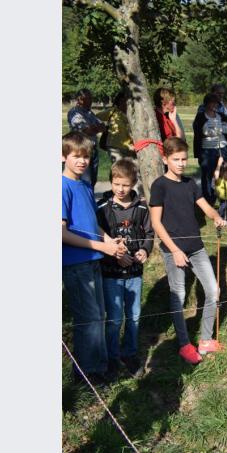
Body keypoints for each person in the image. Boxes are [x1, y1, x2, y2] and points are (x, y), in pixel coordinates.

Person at [149, 137, 227, 364]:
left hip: (196, 247)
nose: (181, 164)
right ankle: (184, 344)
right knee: (180, 295)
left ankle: (205, 339)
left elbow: (205, 206)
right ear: (165, 159)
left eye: (184, 159)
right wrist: (174, 250)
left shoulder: (190, 184)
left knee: (213, 291)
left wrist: (215, 217)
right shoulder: (159, 186)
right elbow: (156, 223)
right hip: (173, 249)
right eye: (176, 159)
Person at [62, 131, 127, 385]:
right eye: (76, 156)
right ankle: (87, 374)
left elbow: (92, 224)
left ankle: (98, 366)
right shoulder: (61, 186)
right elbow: (61, 232)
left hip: (93, 260)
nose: (82, 161)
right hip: (75, 264)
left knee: (98, 315)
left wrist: (108, 241)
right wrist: (102, 248)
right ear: (63, 156)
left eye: (86, 156)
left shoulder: (85, 185)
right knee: (88, 319)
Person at [96, 159, 154, 377]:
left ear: (134, 184)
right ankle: (111, 357)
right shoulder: (102, 208)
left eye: (126, 185)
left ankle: (129, 353)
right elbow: (97, 236)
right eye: (116, 184)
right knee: (114, 318)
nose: (120, 189)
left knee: (134, 316)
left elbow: (149, 234)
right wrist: (116, 256)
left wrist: (145, 251)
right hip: (110, 274)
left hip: (134, 274)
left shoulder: (141, 208)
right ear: (111, 182)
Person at [193, 93, 227, 204]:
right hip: (207, 151)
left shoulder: (220, 116)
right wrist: (218, 129)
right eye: (212, 102)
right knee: (207, 176)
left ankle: (224, 200)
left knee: (223, 174)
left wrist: (216, 129)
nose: (215, 105)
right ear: (206, 104)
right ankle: (208, 200)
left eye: (216, 103)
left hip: (222, 148)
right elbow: (203, 132)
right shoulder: (201, 116)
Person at [68, 88, 107, 188]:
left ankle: (89, 201)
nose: (89, 100)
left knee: (93, 180)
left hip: (92, 149)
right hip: (81, 150)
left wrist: (94, 128)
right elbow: (86, 130)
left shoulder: (89, 113)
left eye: (90, 98)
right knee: (84, 180)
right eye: (86, 98)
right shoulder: (75, 113)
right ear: (79, 99)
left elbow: (102, 126)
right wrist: (94, 128)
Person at [96, 91, 134, 165]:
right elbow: (96, 117)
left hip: (130, 147)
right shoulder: (112, 111)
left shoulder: (132, 114)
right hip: (114, 146)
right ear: (119, 101)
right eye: (123, 100)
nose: (125, 103)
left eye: (127, 101)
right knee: (118, 167)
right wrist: (101, 127)